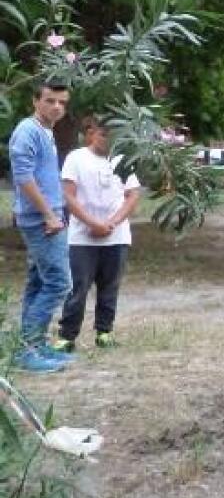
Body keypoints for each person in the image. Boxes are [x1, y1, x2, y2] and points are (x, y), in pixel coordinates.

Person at [53, 117, 141, 351]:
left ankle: (104, 332)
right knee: (78, 288)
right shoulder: (76, 158)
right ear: (91, 132)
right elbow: (68, 195)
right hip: (82, 237)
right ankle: (67, 336)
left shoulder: (123, 160)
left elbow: (132, 195)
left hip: (117, 236)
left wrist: (111, 223)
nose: (108, 140)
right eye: (104, 134)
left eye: (114, 136)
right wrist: (92, 223)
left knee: (110, 286)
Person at [8, 81, 77, 373]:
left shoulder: (44, 131)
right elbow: (23, 178)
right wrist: (49, 215)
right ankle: (27, 350)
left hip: (48, 214)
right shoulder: (27, 131)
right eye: (50, 100)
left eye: (62, 102)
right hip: (40, 219)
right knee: (59, 283)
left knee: (38, 282)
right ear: (35, 101)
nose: (57, 107)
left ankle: (33, 345)